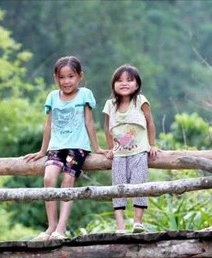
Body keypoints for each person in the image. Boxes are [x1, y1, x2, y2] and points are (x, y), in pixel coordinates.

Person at [24, 55, 103, 240]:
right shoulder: (52, 97)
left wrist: (97, 148)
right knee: (48, 178)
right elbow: (49, 125)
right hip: (56, 147)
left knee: (68, 180)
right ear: (55, 78)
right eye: (62, 77)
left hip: (77, 147)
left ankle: (61, 228)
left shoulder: (84, 94)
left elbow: (89, 122)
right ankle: (50, 226)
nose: (66, 81)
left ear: (79, 76)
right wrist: (42, 151)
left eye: (70, 76)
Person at [102, 64, 159, 233]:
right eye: (119, 80)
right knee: (118, 187)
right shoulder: (110, 105)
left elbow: (150, 122)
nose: (124, 83)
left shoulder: (140, 101)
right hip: (119, 154)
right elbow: (106, 127)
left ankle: (137, 221)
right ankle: (120, 226)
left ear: (137, 84)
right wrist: (110, 148)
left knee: (139, 184)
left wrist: (152, 144)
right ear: (113, 84)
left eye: (129, 80)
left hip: (139, 151)